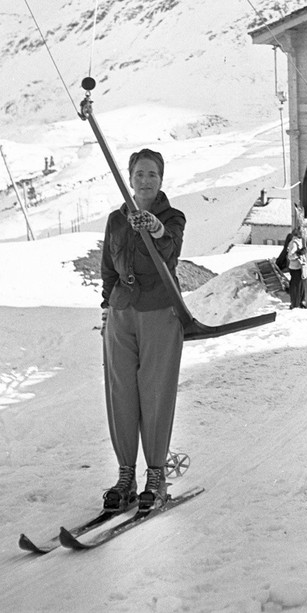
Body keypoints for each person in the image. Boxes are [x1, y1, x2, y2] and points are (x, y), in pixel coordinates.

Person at [100, 148, 185, 514]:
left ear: (161, 179)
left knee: (154, 392)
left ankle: (155, 475)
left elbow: (170, 249)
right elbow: (108, 266)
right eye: (139, 174)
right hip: (122, 313)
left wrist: (155, 228)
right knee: (121, 393)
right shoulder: (116, 220)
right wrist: (108, 304)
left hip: (159, 311)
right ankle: (125, 475)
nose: (145, 180)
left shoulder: (172, 217)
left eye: (152, 174)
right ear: (130, 179)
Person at [286, 227, 307, 309]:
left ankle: (300, 301)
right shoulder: (293, 243)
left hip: (300, 266)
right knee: (296, 285)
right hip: (295, 267)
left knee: (301, 285)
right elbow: (290, 256)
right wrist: (298, 254)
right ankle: (295, 303)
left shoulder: (300, 241)